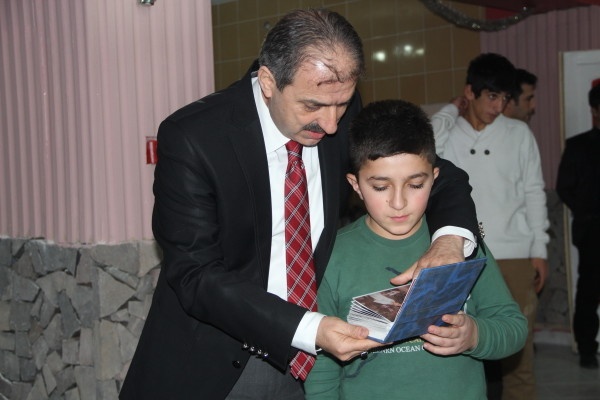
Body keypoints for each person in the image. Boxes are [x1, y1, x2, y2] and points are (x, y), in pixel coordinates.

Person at [119, 9, 480, 400]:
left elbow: (439, 175)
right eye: (312, 106)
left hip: (317, 362)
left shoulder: (339, 111)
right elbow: (195, 273)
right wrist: (309, 328)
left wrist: (450, 241)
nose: (331, 125)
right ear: (269, 81)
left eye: (342, 105)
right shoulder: (196, 136)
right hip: (218, 359)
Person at [304, 99, 527, 400]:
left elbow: (513, 327)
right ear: (355, 185)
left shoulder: (460, 243)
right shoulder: (332, 255)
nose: (399, 203)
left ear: (434, 178)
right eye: (380, 187)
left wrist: (474, 335)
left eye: (416, 185)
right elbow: (321, 368)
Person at [431, 53, 549, 400]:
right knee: (458, 346)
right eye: (491, 96)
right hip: (462, 254)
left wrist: (539, 250)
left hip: (514, 252)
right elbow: (424, 146)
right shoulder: (449, 132)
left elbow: (534, 192)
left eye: (505, 98)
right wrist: (450, 109)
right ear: (470, 92)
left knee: (519, 354)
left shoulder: (518, 133)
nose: (499, 107)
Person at [556, 83, 600, 369]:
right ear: (594, 110)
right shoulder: (578, 146)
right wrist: (587, 212)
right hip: (593, 230)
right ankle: (586, 348)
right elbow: (564, 188)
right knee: (589, 290)